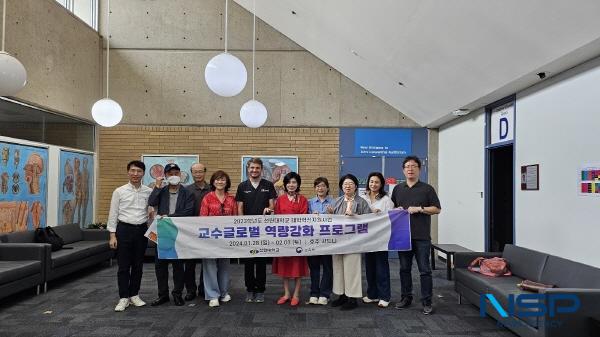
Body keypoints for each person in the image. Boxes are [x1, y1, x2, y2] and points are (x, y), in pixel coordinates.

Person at [391, 156, 441, 315]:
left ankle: (427, 301)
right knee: (404, 269)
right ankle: (406, 298)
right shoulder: (398, 189)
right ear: (403, 170)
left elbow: (437, 209)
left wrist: (420, 208)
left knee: (424, 270)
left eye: (413, 166)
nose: (410, 169)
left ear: (420, 169)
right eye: (407, 166)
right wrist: (396, 210)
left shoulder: (427, 189)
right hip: (403, 237)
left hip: (421, 237)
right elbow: (393, 209)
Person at [107, 160, 153, 312]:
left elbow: (152, 213)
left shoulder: (148, 191)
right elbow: (113, 214)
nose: (135, 174)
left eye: (139, 171)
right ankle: (123, 297)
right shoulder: (119, 191)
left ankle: (134, 294)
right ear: (128, 172)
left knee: (138, 265)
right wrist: (112, 236)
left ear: (143, 173)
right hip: (123, 230)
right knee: (123, 266)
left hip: (141, 231)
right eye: (133, 171)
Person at [148, 163, 196, 306]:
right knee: (160, 266)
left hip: (178, 233)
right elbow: (151, 202)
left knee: (178, 266)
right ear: (166, 175)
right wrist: (157, 186)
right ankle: (162, 295)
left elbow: (189, 211)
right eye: (170, 173)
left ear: (180, 175)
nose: (173, 175)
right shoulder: (161, 191)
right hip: (162, 232)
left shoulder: (187, 193)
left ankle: (177, 294)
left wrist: (168, 216)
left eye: (176, 173)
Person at [235, 157, 277, 303]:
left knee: (260, 261)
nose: (254, 170)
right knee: (248, 262)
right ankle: (250, 290)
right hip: (247, 231)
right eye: (252, 168)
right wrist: (242, 225)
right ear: (248, 169)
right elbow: (239, 207)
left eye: (257, 168)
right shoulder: (242, 186)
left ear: (261, 169)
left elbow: (273, 205)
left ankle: (260, 290)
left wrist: (269, 209)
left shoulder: (268, 185)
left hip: (263, 230)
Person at [328, 174, 371, 310]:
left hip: (354, 242)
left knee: (352, 269)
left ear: (356, 186)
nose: (347, 186)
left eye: (351, 183)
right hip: (338, 242)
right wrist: (329, 214)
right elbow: (331, 222)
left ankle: (352, 298)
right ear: (341, 186)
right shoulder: (336, 201)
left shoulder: (362, 202)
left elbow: (369, 221)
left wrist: (356, 217)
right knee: (338, 269)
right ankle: (342, 296)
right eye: (345, 184)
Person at [200, 170, 236, 307]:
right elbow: (202, 218)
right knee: (209, 265)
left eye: (223, 180)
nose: (220, 182)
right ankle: (212, 295)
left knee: (224, 265)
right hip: (210, 237)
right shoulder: (207, 198)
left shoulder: (231, 199)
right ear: (213, 182)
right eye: (217, 179)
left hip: (226, 238)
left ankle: (223, 292)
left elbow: (235, 219)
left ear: (226, 183)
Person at [272, 172, 309, 307]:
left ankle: (296, 294)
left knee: (297, 267)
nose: (291, 185)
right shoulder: (280, 199)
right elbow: (277, 217)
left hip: (298, 239)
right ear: (285, 185)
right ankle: (287, 293)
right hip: (283, 239)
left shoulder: (303, 199)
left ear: (298, 184)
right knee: (284, 267)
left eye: (294, 182)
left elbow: (304, 217)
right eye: (289, 182)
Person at [360, 172, 395, 308]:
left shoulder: (386, 199)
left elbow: (391, 217)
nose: (373, 184)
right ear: (368, 183)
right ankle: (372, 294)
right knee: (369, 267)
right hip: (367, 238)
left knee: (381, 268)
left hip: (381, 238)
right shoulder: (362, 198)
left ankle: (384, 296)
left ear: (381, 185)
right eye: (371, 181)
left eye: (377, 182)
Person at [183, 162, 210, 301]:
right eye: (195, 172)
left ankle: (203, 288)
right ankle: (190, 290)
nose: (198, 174)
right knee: (189, 263)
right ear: (191, 173)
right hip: (190, 231)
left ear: (205, 172)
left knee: (207, 262)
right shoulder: (186, 190)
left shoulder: (212, 189)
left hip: (207, 231)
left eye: (200, 171)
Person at [306, 177, 334, 305]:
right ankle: (314, 293)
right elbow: (303, 220)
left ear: (327, 187)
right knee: (314, 268)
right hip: (313, 241)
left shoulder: (334, 202)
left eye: (323, 186)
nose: (320, 188)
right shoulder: (310, 202)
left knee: (328, 268)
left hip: (328, 241)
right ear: (315, 188)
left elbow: (340, 220)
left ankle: (325, 294)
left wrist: (333, 214)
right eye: (317, 186)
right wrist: (310, 216)